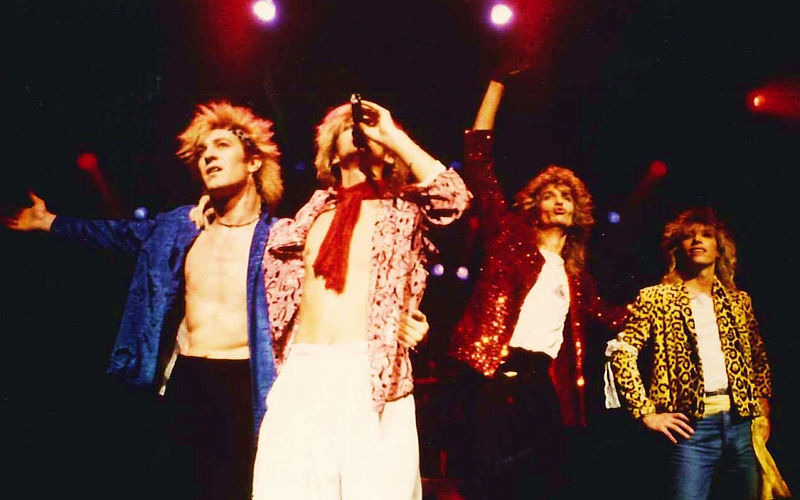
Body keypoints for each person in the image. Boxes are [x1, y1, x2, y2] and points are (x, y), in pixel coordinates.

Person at [2, 101, 283, 500]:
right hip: (189, 378)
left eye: (221, 146)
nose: (208, 156)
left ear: (253, 162)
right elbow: (116, 234)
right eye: (202, 151)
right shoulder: (180, 227)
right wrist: (50, 222)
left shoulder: (280, 238)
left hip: (246, 382)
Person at [249, 99, 471, 499]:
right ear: (332, 154)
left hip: (371, 376)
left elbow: (453, 198)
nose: (363, 131)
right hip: (304, 372)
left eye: (371, 129)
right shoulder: (303, 221)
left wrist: (391, 133)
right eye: (351, 128)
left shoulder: (405, 211)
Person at [449, 75, 626, 499]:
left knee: (543, 477)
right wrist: (496, 84)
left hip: (539, 381)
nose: (560, 200)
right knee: (488, 477)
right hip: (494, 368)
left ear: (578, 211)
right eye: (551, 195)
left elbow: (611, 315)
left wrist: (668, 301)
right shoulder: (509, 237)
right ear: (535, 205)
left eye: (568, 196)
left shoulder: (576, 276)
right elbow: (478, 161)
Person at [606, 207, 773, 500]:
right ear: (677, 248)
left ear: (719, 248)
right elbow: (622, 352)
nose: (697, 240)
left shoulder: (738, 301)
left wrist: (763, 406)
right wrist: (645, 412)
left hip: (742, 424)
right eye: (688, 236)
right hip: (691, 429)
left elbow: (758, 357)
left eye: (706, 235)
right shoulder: (656, 298)